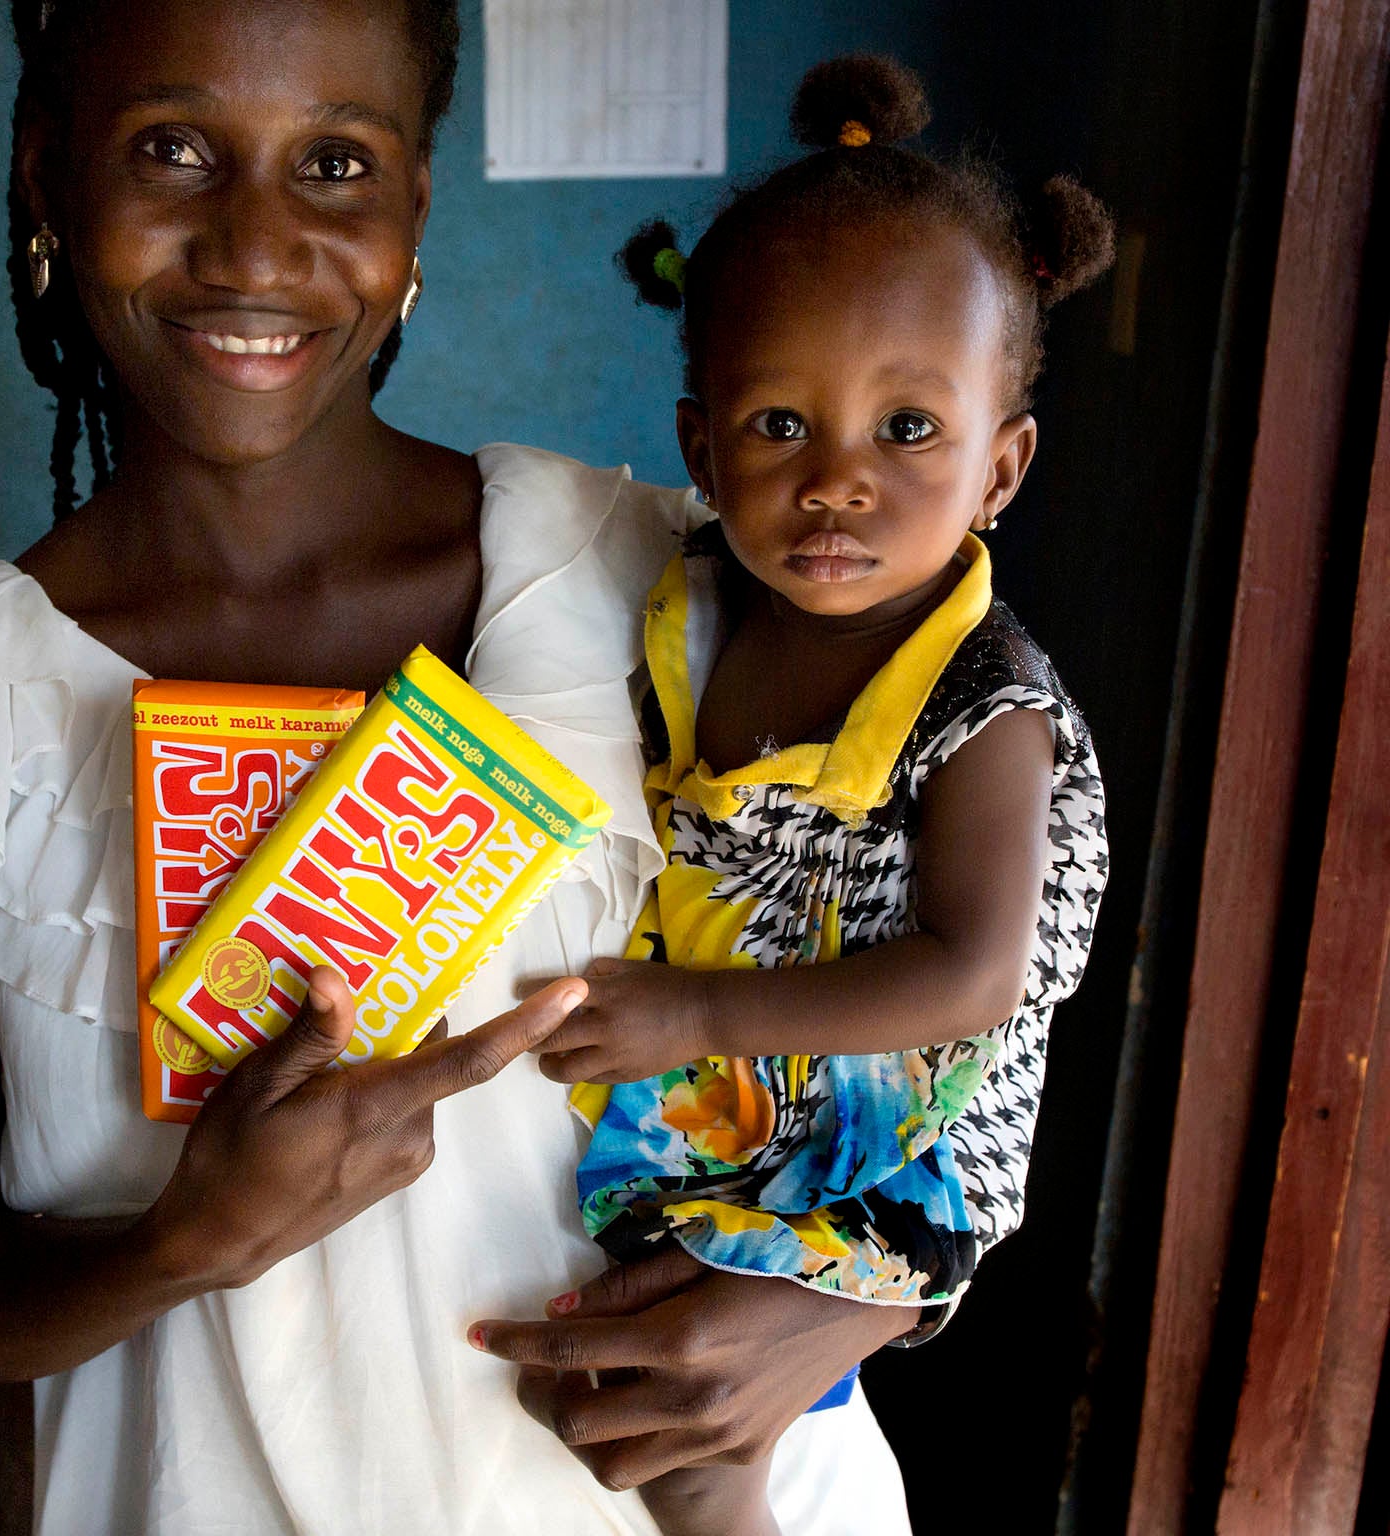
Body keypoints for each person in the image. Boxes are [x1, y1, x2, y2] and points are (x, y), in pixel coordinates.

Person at [0, 6, 913, 1531]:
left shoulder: (648, 580)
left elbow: (967, 990)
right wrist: (187, 1238)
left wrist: (869, 1302)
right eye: (172, 151)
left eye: (334, 162)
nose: (255, 246)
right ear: (47, 180)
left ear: (414, 211)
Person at [469, 56, 1114, 1536]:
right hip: (735, 1112)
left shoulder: (982, 710)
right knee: (598, 1388)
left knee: (694, 1461)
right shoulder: (688, 610)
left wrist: (693, 1015)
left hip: (883, 1150)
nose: (837, 485)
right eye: (778, 428)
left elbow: (972, 977)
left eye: (908, 430)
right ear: (700, 448)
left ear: (1003, 466)